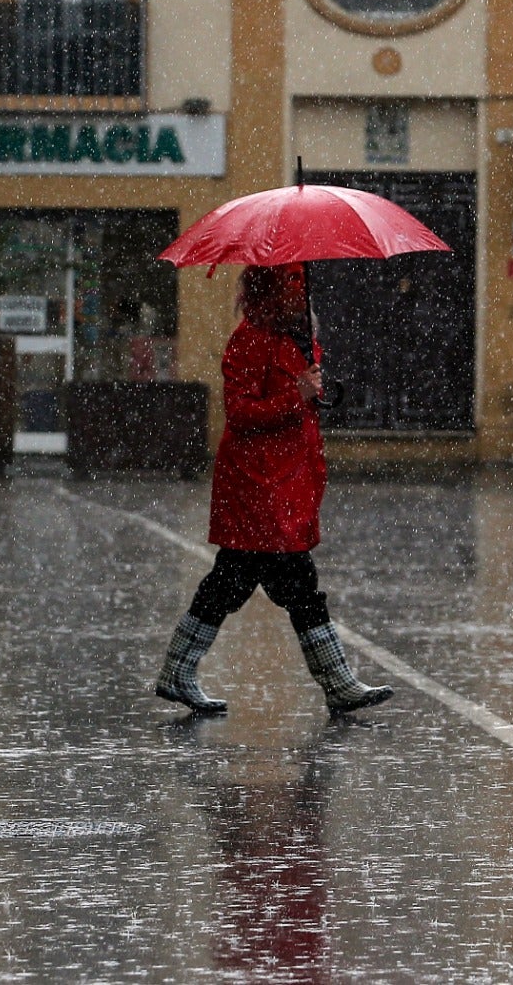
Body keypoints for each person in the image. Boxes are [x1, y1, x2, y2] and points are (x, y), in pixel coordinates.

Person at [155, 264, 393, 715]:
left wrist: (315, 391)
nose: (298, 294)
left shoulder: (298, 338)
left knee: (235, 582)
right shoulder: (249, 340)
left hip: (286, 481)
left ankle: (177, 671)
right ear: (267, 291)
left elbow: (302, 405)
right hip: (257, 485)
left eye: (301, 285)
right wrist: (296, 396)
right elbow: (241, 413)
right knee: (290, 583)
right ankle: (337, 683)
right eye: (289, 286)